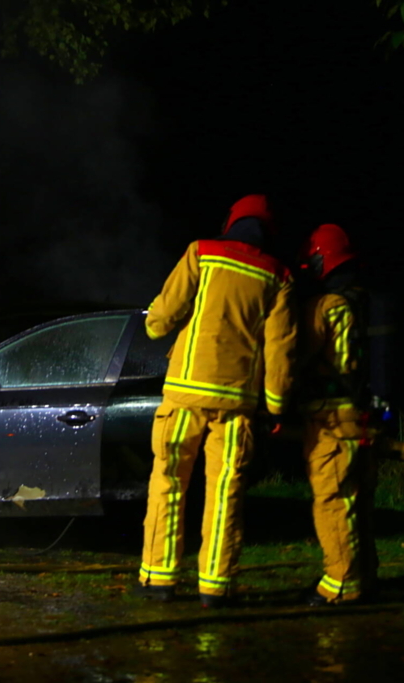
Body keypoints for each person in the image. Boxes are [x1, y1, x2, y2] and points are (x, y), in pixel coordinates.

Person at [138, 194, 296, 608]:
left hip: (184, 396)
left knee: (168, 484)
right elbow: (281, 350)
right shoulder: (278, 276)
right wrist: (277, 407)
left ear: (232, 221)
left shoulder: (202, 253)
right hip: (236, 405)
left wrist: (154, 324)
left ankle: (159, 580)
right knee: (225, 494)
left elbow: (162, 319)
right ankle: (215, 586)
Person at [298, 223, 379, 606]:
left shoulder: (327, 306)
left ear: (320, 260)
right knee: (357, 502)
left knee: (332, 499)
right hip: (364, 417)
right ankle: (366, 574)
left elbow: (298, 357)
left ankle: (342, 582)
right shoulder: (365, 301)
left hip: (332, 419)